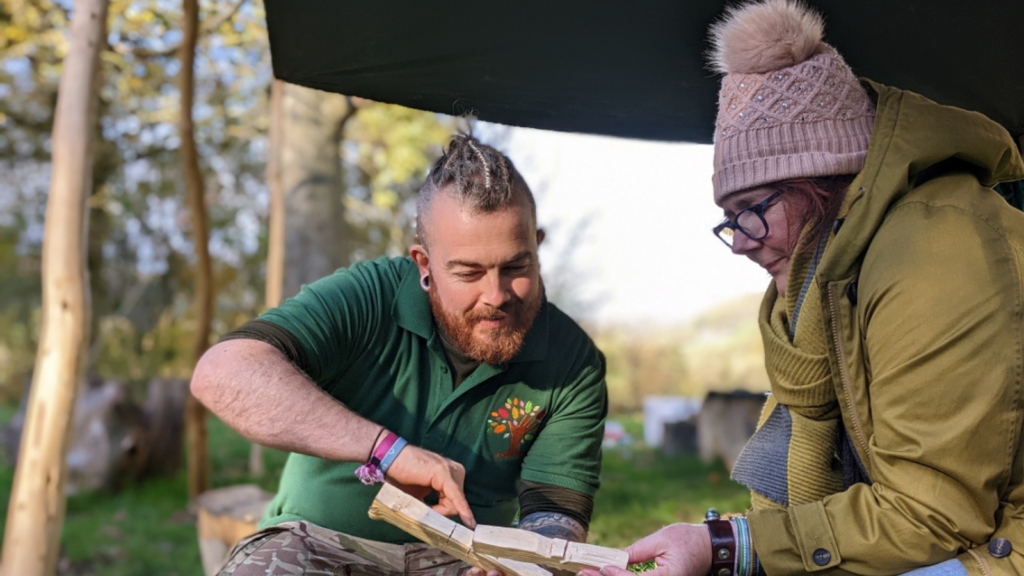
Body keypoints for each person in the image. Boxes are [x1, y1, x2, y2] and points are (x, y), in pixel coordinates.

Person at [582, 2, 1024, 576]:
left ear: (822, 180)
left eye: (752, 211)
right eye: (730, 219)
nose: (740, 242)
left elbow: (932, 512)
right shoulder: (827, 282)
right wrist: (734, 546)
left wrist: (731, 547)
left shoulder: (936, 250)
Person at [192, 134, 608, 576]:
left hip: (465, 561)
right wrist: (384, 450)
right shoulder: (368, 296)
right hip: (316, 543)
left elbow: (556, 515)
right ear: (424, 264)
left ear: (537, 247)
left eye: (516, 267)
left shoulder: (574, 362)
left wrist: (519, 565)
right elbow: (222, 372)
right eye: (469, 272)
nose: (496, 295)